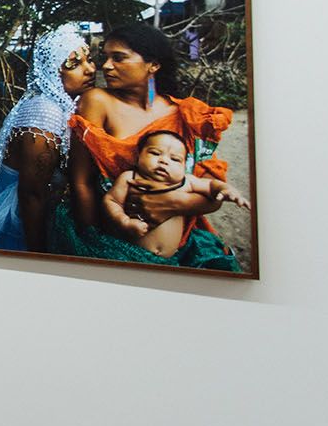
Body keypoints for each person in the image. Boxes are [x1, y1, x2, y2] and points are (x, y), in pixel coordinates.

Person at [52, 22, 242, 270]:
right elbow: (81, 182)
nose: (106, 66)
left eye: (118, 58)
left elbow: (212, 193)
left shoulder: (186, 115)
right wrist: (93, 242)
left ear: (153, 65)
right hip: (110, 237)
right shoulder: (97, 102)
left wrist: (172, 203)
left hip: (182, 242)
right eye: (105, 57)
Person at [0, 24, 96, 251]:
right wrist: (38, 254)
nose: (90, 69)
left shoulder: (62, 106)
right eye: (74, 64)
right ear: (52, 71)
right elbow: (32, 193)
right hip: (21, 220)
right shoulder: (45, 111)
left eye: (89, 60)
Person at [102, 129, 250, 259]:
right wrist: (124, 221)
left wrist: (227, 189)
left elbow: (211, 185)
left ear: (184, 166)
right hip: (129, 252)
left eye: (175, 159)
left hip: (173, 257)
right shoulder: (130, 178)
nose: (164, 161)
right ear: (138, 156)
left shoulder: (186, 182)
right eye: (155, 153)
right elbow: (112, 201)